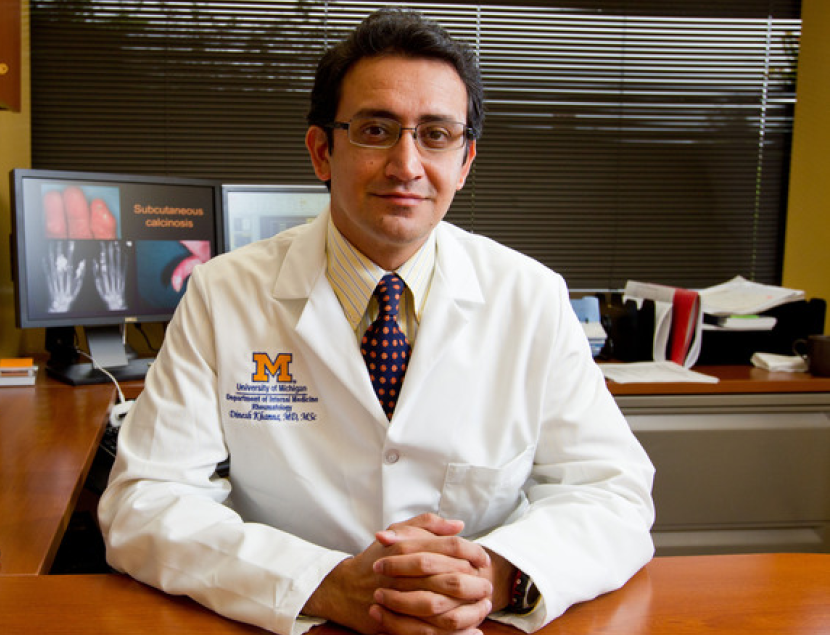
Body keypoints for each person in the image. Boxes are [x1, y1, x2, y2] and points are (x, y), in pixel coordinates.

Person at [98, 7, 655, 635]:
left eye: (437, 134)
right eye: (375, 130)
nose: (407, 165)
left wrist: (493, 573)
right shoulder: (223, 294)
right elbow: (145, 501)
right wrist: (327, 585)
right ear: (321, 151)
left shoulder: (531, 296)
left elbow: (611, 493)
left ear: (465, 161)